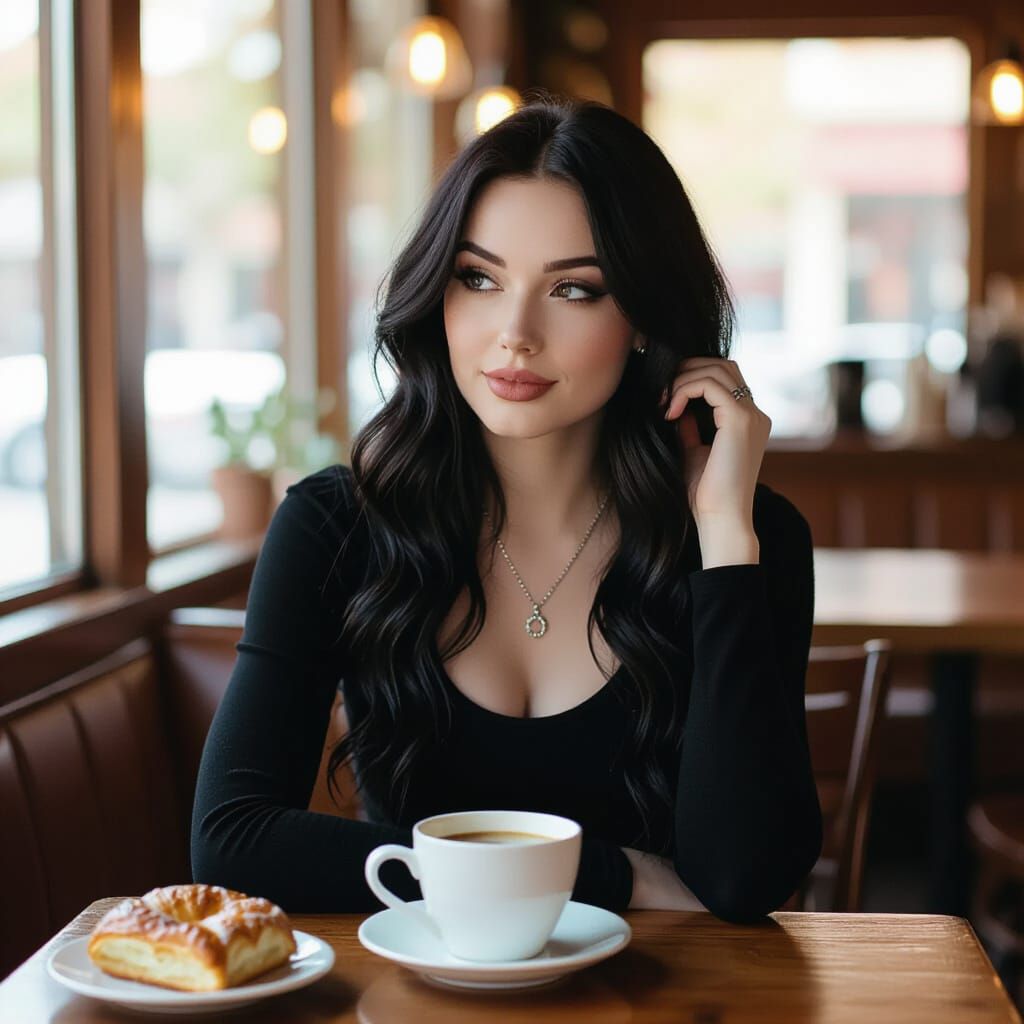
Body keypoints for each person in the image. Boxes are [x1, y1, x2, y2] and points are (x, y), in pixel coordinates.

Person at [191, 96, 823, 922]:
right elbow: (232, 843)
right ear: (438, 294)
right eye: (479, 278)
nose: (515, 333)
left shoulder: (749, 537)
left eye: (575, 289)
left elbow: (745, 880)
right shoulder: (335, 528)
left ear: (643, 318)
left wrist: (725, 539)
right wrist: (609, 876)